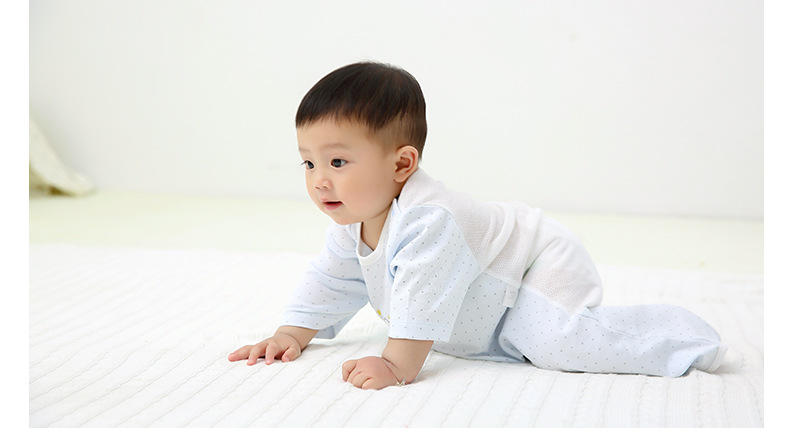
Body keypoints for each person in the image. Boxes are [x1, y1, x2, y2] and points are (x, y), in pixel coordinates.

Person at [228, 61, 726, 390]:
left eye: (337, 162)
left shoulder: (429, 219)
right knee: (515, 342)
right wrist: (291, 333)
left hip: (532, 262)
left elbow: (422, 295)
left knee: (555, 341)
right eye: (308, 163)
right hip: (494, 300)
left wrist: (397, 364)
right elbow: (332, 280)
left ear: (402, 164)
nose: (319, 180)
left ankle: (680, 338)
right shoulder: (352, 220)